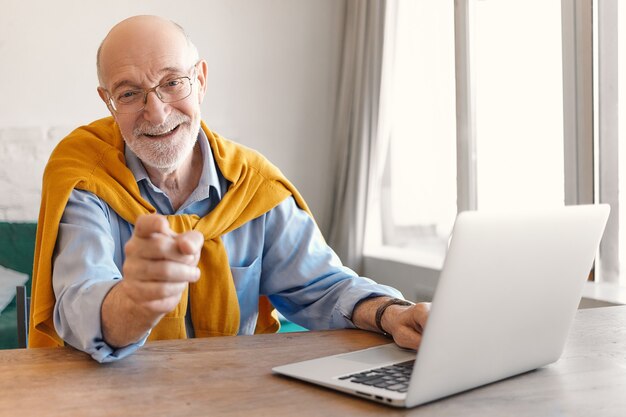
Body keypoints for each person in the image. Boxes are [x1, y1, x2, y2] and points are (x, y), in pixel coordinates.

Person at [28, 15, 430, 362]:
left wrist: (391, 314)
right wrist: (134, 302)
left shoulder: (253, 184)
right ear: (108, 102)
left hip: (236, 392)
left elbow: (323, 287)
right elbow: (78, 301)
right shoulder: (85, 175)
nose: (157, 111)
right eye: (129, 93)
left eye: (172, 82)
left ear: (200, 80)